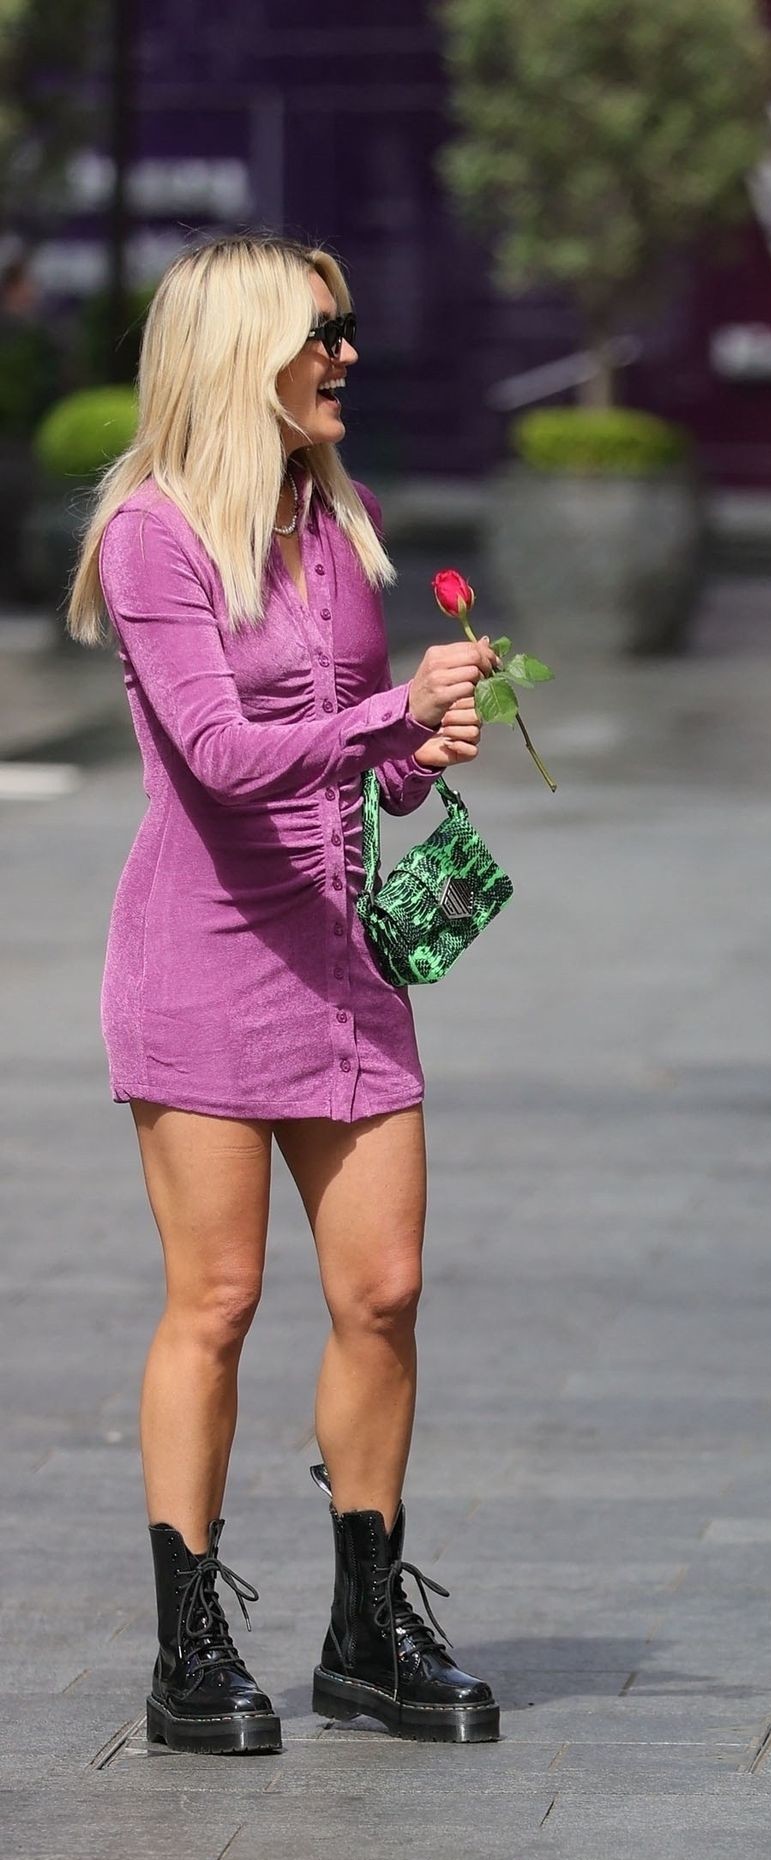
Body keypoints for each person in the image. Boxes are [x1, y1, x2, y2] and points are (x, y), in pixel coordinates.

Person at [68, 234, 503, 1754]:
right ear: (241, 348)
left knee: (383, 1292)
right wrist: (391, 713)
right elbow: (218, 756)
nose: (348, 355)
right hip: (200, 960)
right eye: (323, 331)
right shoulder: (153, 536)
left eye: (349, 327)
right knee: (220, 1300)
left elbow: (347, 752)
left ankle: (365, 1630)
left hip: (343, 959)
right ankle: (188, 1647)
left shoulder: (335, 515)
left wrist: (416, 750)